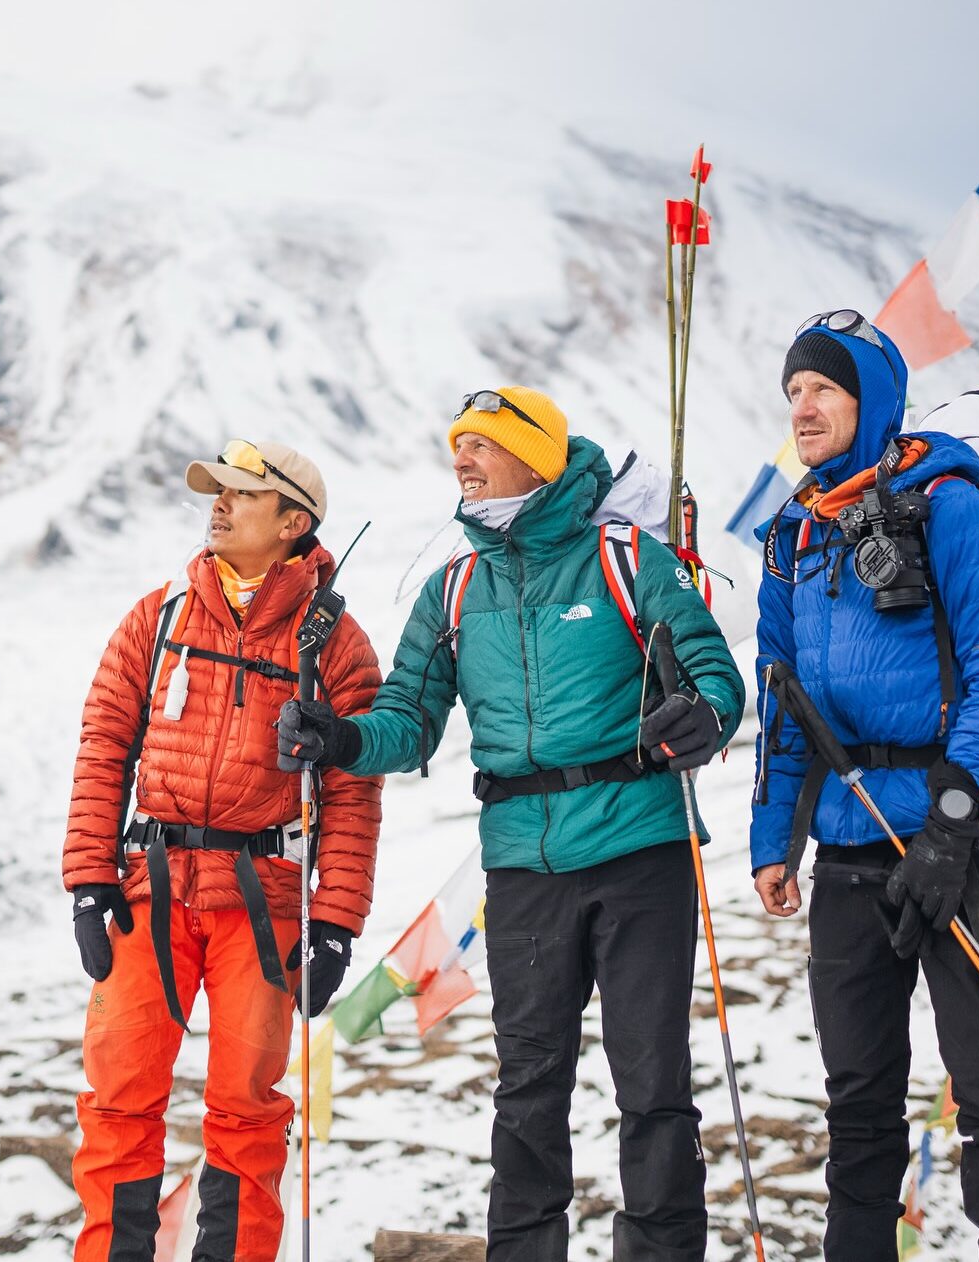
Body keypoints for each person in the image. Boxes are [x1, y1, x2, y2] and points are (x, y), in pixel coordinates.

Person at [276, 387, 746, 1262]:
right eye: (457, 445)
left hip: (639, 850)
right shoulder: (452, 588)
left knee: (652, 1086)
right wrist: (339, 737)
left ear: (539, 457)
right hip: (522, 869)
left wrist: (702, 716)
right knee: (528, 1089)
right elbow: (407, 722)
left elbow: (716, 674)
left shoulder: (627, 556)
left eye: (483, 443)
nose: (463, 459)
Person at [750, 313, 979, 1260]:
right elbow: (783, 701)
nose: (803, 407)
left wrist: (952, 826)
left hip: (958, 852)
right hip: (846, 852)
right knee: (860, 1106)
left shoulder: (959, 510)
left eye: (824, 389)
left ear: (872, 400)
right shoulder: (792, 538)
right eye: (794, 390)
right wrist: (774, 843)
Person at [63, 440, 382, 1262]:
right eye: (219, 490)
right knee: (118, 1101)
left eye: (243, 494)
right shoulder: (159, 615)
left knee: (246, 1109)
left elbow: (353, 790)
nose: (220, 503)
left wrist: (335, 923)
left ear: (293, 523)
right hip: (149, 890)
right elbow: (104, 744)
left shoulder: (336, 645)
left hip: (264, 902)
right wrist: (90, 880)